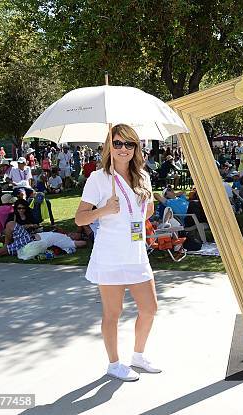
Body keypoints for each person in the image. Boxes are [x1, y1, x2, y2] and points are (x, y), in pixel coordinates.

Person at [75, 123, 159, 382]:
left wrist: (139, 213)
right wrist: (103, 211)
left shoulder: (143, 176)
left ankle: (138, 356)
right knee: (113, 313)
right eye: (118, 143)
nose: (123, 149)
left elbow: (150, 210)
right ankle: (114, 364)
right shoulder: (99, 178)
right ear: (108, 146)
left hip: (136, 254)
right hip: (110, 256)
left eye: (129, 144)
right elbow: (79, 219)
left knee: (150, 308)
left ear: (137, 147)